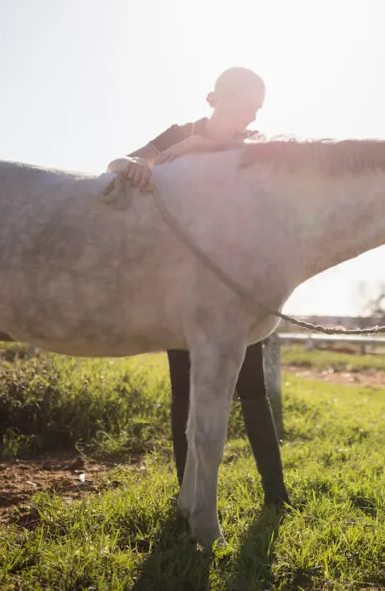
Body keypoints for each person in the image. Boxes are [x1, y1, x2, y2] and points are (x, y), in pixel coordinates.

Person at [106, 67, 290, 507]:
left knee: (251, 393)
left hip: (239, 289)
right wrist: (133, 164)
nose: (250, 116)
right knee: (184, 392)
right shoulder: (177, 134)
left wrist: (201, 146)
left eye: (256, 109)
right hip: (185, 286)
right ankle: (186, 495)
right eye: (244, 105)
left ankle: (276, 495)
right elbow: (115, 165)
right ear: (216, 99)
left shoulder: (255, 145)